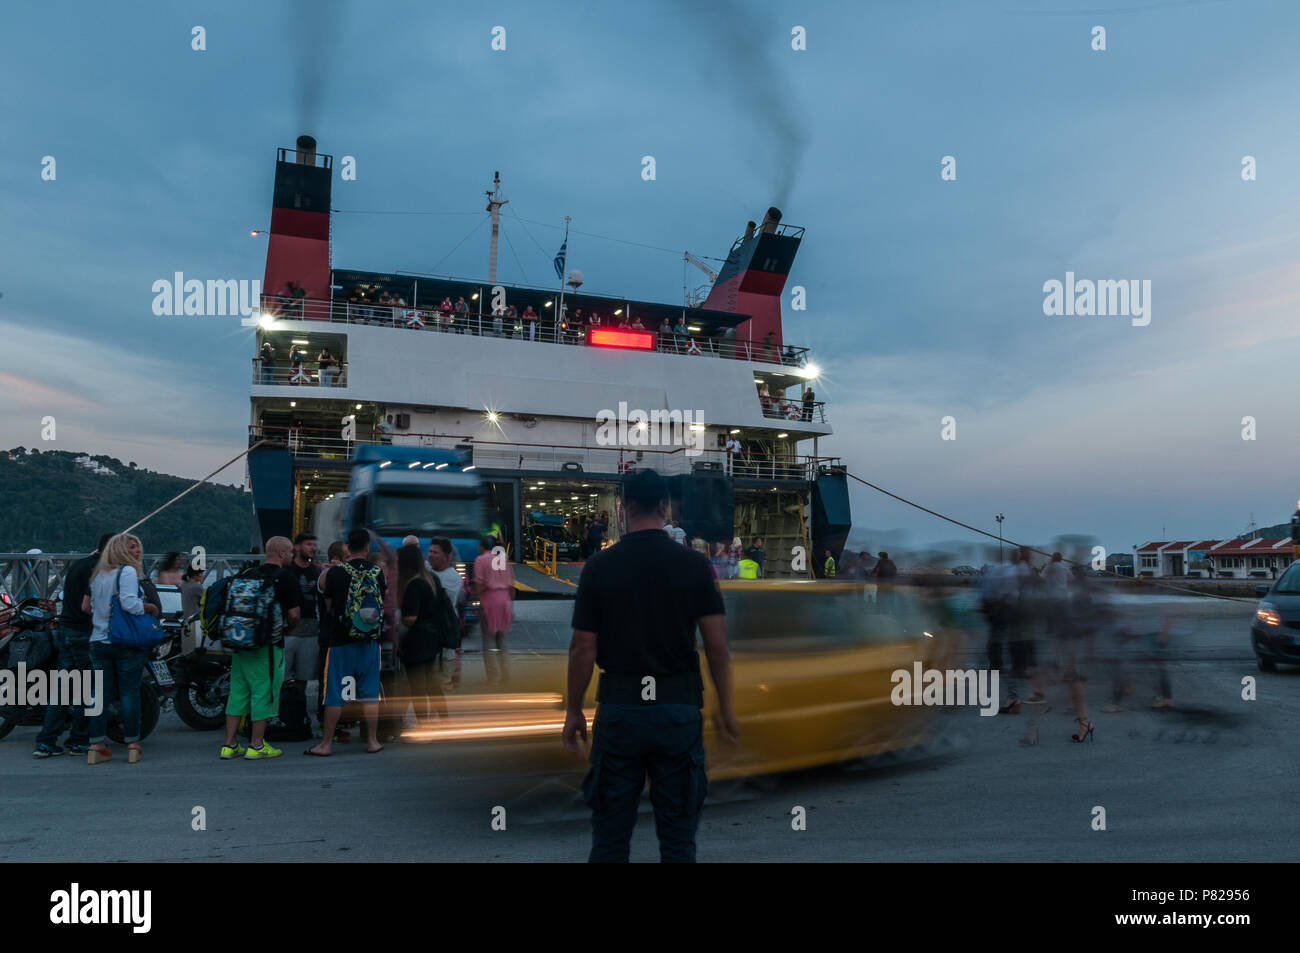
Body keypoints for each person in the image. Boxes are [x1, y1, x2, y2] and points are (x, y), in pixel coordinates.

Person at [563, 468, 739, 863]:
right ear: (665, 508)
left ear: (624, 509)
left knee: (609, 839)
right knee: (678, 840)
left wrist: (574, 710)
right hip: (677, 714)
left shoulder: (599, 567)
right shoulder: (695, 567)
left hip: (621, 714)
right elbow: (717, 647)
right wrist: (725, 708)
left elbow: (581, 649)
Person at [220, 536, 300, 760]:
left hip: (240, 642)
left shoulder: (247, 575)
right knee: (262, 692)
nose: (293, 555)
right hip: (267, 647)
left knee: (237, 693)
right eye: (291, 552)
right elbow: (294, 614)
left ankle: (229, 745)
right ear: (282, 554)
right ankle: (256, 746)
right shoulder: (285, 578)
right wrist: (287, 629)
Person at [309, 529, 387, 755]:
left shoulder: (336, 573)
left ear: (347, 548)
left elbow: (330, 607)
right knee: (370, 694)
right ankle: (372, 741)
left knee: (334, 693)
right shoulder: (377, 572)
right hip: (370, 642)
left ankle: (325, 744)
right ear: (366, 548)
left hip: (341, 641)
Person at [84, 533, 160, 765]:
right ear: (120, 550)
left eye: (138, 547)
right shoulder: (126, 572)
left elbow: (91, 607)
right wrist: (148, 607)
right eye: (132, 547)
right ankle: (132, 744)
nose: (137, 551)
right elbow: (129, 604)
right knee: (129, 693)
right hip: (125, 643)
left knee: (99, 695)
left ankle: (96, 745)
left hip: (99, 641)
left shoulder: (98, 574)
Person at [34, 533, 112, 758]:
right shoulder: (99, 570)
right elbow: (92, 606)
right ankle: (78, 740)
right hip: (84, 633)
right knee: (85, 690)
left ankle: (45, 742)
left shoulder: (80, 564)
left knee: (62, 690)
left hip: (66, 629)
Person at [397, 544, 450, 725]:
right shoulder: (431, 578)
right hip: (432, 638)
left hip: (416, 641)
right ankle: (445, 719)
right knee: (432, 684)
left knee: (417, 687)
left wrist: (401, 620)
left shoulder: (413, 584)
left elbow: (410, 618)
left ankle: (423, 723)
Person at [284, 534, 322, 699]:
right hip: (288, 629)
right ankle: (280, 713)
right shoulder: (287, 571)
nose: (313, 548)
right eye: (308, 544)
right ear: (297, 547)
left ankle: (297, 711)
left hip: (311, 629)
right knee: (282, 676)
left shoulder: (318, 572)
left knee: (304, 677)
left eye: (314, 545)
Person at [473, 536, 515, 685]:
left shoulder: (480, 560)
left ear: (482, 546)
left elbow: (479, 584)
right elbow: (511, 585)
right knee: (501, 639)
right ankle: (506, 674)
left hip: (489, 601)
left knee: (487, 640)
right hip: (504, 601)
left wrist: (476, 596)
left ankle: (492, 677)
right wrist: (511, 605)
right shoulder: (502, 560)